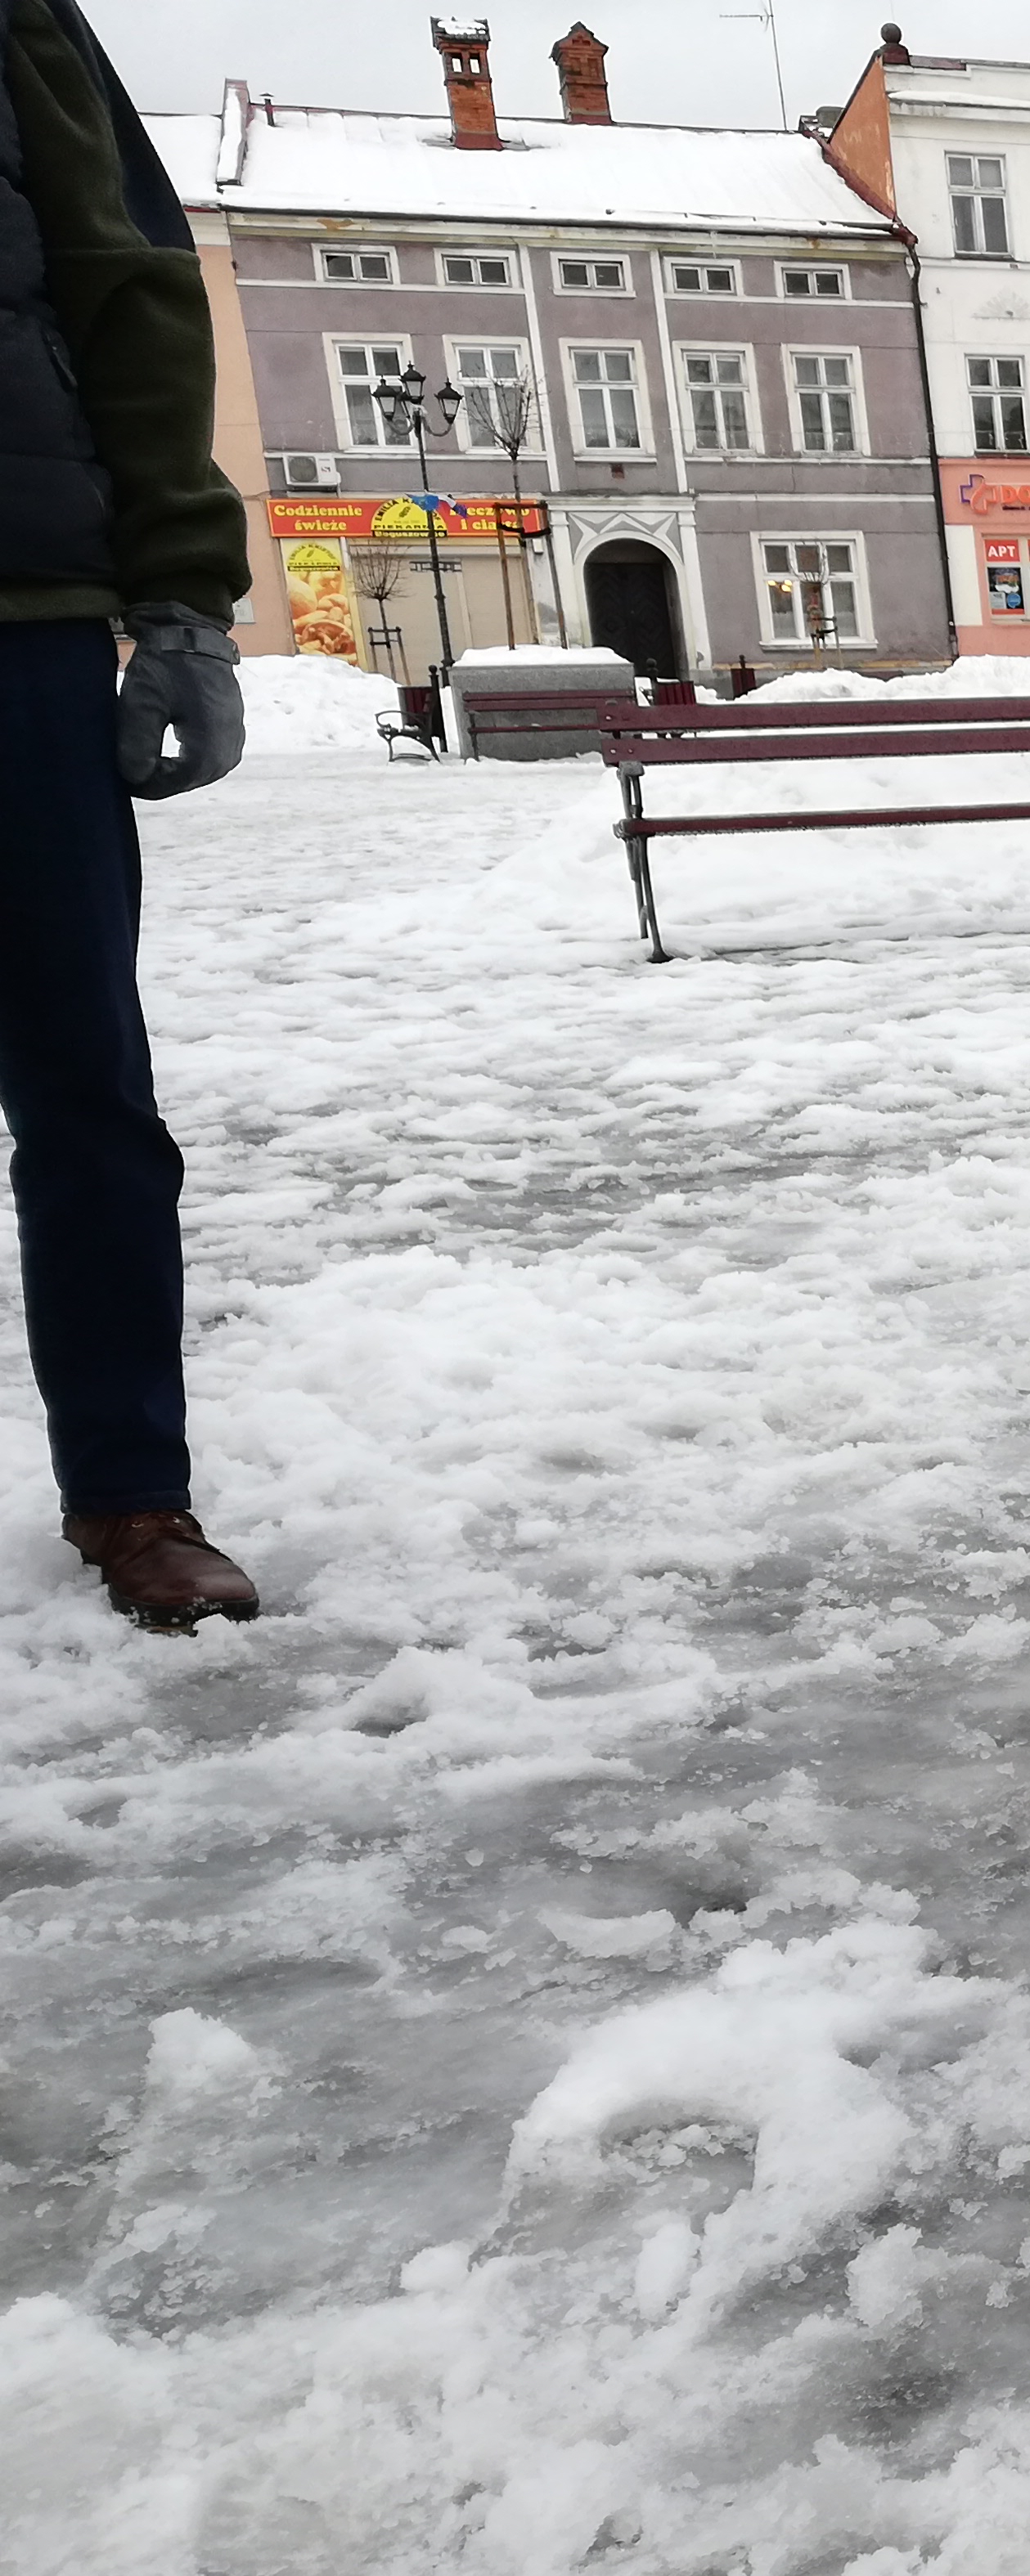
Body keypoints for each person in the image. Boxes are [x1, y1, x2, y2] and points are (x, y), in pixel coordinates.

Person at [2, 0, 255, 1628]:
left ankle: (130, 1490)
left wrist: (181, 596)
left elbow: (129, 283)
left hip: (18, 614)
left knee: (84, 1085)